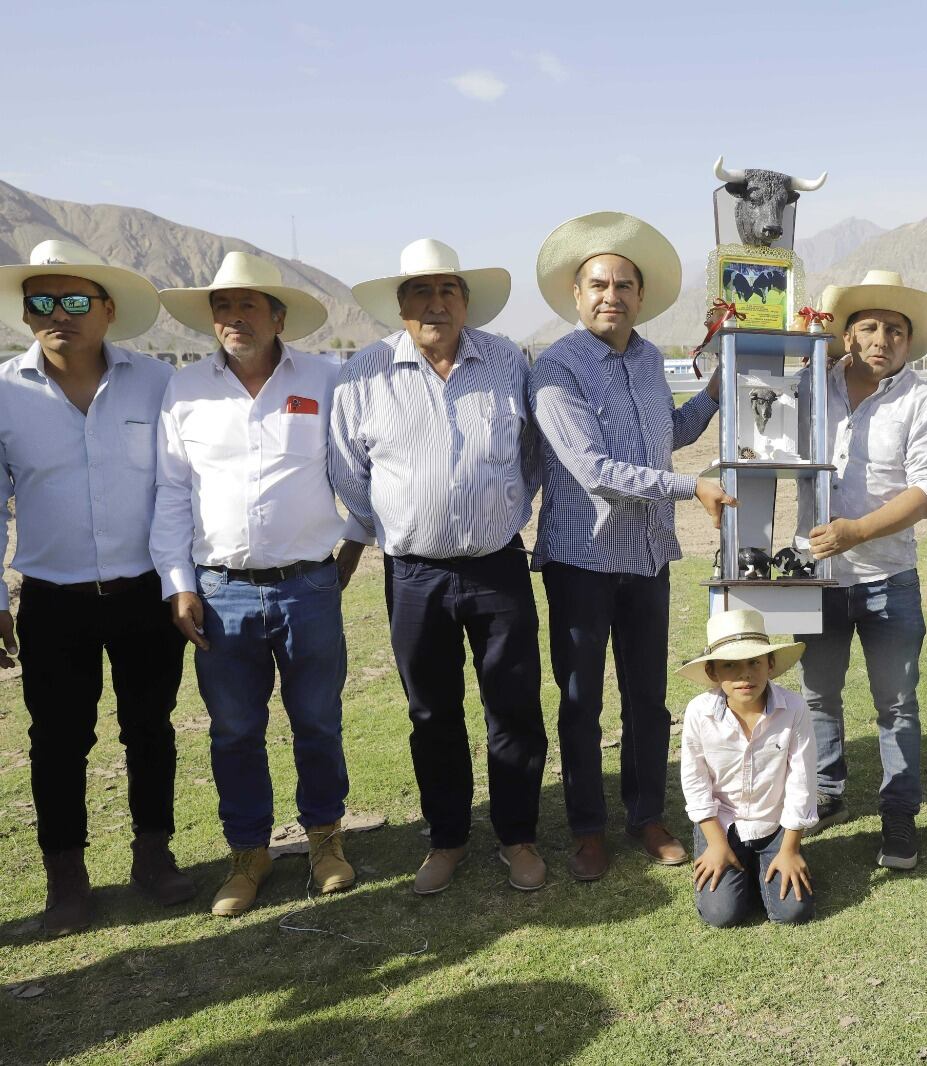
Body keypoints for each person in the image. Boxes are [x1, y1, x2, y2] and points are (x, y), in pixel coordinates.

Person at [152, 251, 367, 916]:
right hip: (221, 592)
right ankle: (249, 855)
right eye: (222, 306)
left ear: (278, 318)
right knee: (234, 731)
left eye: (247, 306)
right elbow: (171, 493)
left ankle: (326, 841)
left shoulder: (327, 380)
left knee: (318, 722)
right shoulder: (185, 390)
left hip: (309, 585)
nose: (233, 318)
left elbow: (358, 465)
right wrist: (178, 583)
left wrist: (354, 541)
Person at [331, 238, 547, 895]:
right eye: (420, 293)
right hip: (414, 574)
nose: (434, 304)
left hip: (498, 566)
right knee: (432, 713)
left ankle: (518, 837)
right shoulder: (363, 373)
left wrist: (505, 505)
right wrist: (395, 525)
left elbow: (532, 452)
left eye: (447, 291)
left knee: (512, 709)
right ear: (400, 306)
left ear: (465, 301)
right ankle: (447, 839)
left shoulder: (509, 361)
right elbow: (348, 468)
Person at [531, 212, 731, 881]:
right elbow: (594, 470)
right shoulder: (555, 369)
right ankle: (588, 829)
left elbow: (660, 436)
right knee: (582, 700)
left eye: (623, 284)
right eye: (598, 283)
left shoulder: (648, 360)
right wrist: (689, 488)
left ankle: (647, 816)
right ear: (576, 294)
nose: (610, 294)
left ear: (640, 297)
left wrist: (712, 396)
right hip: (583, 562)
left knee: (647, 698)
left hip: (647, 557)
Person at [0, 240, 190, 934]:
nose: (60, 315)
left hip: (144, 592)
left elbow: (178, 488)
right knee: (56, 741)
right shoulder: (2, 391)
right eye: (43, 303)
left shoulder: (155, 383)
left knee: (150, 730)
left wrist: (181, 580)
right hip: (51, 600)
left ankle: (154, 859)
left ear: (108, 311)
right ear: (25, 315)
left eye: (76, 301)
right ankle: (67, 884)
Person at [793, 270, 927, 870]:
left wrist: (858, 530)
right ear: (848, 335)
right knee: (818, 695)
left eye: (895, 329)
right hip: (816, 576)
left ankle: (898, 816)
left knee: (897, 704)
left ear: (909, 342)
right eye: (868, 326)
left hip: (889, 576)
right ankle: (828, 791)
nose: (881, 338)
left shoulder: (925, 402)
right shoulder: (808, 386)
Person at [678, 609, 817, 926]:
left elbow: (802, 781)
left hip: (775, 825)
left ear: (770, 665)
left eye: (754, 662)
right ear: (713, 672)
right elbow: (695, 782)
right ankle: (743, 867)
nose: (745, 675)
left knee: (793, 912)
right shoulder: (699, 713)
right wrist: (715, 843)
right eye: (731, 665)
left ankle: (767, 863)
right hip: (724, 826)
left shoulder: (794, 708)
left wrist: (790, 848)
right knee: (722, 915)